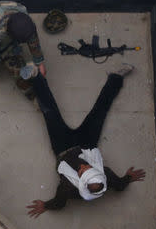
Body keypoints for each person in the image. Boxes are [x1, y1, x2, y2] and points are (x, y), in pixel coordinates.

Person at [25, 65, 146, 218]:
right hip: (87, 146)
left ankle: (36, 78)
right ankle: (116, 78)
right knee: (99, 112)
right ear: (97, 172)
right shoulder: (105, 175)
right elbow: (119, 185)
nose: (82, 165)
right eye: (88, 167)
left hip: (63, 147)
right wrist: (128, 177)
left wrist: (45, 206)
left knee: (50, 113)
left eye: (81, 171)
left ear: (82, 183)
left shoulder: (68, 187)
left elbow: (59, 203)